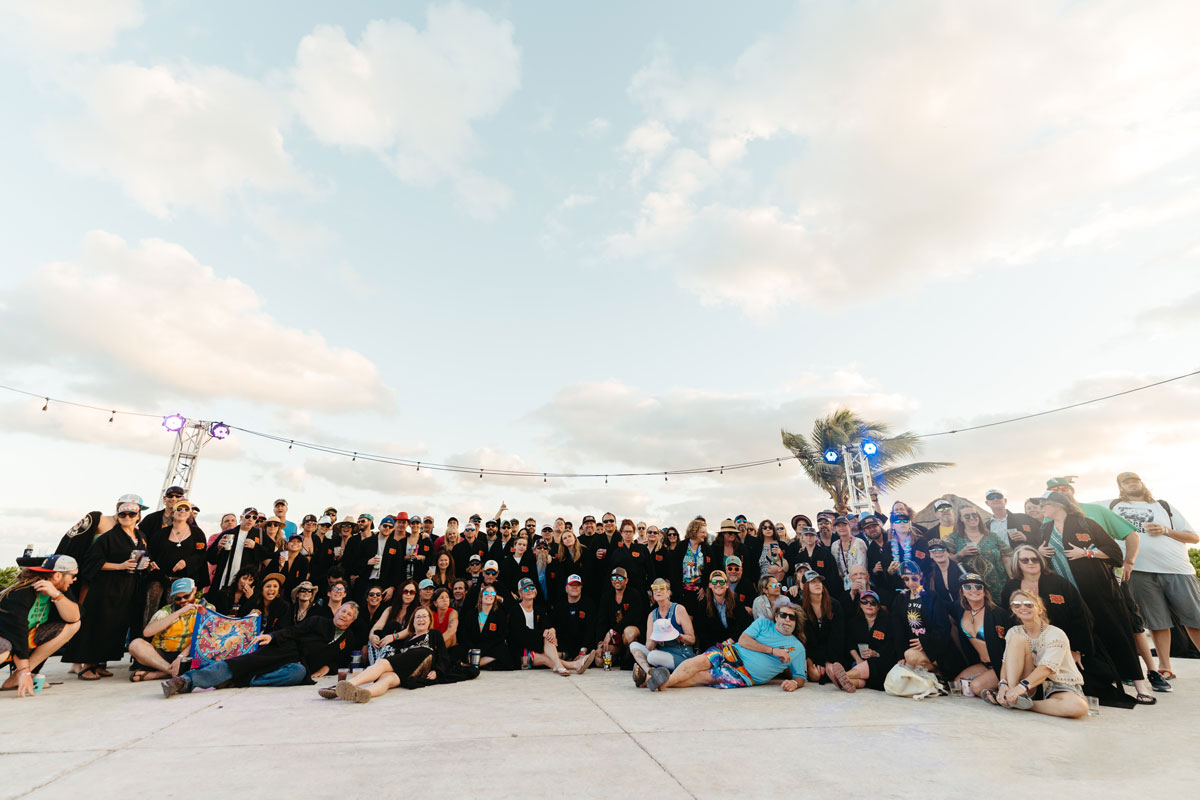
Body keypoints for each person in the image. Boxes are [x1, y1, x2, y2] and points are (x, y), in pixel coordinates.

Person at [1034, 491, 1155, 704]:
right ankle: (1098, 685)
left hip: (1100, 592)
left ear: (1058, 504)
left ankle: (1139, 684)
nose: (1041, 508)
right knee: (1083, 641)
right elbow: (1040, 562)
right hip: (1070, 597)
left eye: (1044, 504)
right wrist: (1039, 552)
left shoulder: (1085, 524)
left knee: (1118, 635)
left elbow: (1115, 553)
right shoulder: (1045, 529)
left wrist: (1086, 553)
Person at [1107, 471, 1200, 682]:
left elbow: (1194, 537)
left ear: (1141, 483)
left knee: (1195, 618)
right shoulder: (1113, 506)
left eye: (1134, 480)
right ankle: (1165, 666)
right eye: (1126, 482)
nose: (1131, 484)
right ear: (1120, 486)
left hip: (1177, 569)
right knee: (1157, 621)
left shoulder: (1163, 506)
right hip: (1139, 570)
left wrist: (1166, 530)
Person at [163, 603, 360, 697]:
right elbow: (293, 631)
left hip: (301, 666)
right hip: (286, 650)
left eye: (349, 614)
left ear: (352, 620)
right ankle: (184, 681)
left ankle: (244, 680)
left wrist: (328, 667)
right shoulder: (318, 620)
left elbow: (341, 659)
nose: (344, 615)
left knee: (297, 673)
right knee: (241, 663)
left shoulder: (349, 638)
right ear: (337, 611)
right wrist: (272, 636)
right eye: (343, 611)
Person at [326, 606, 478, 703]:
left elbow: (443, 654)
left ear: (430, 620)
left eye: (424, 616)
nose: (421, 619)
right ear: (413, 621)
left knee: (383, 664)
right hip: (409, 671)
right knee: (387, 678)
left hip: (422, 658)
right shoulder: (408, 639)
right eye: (418, 617)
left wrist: (437, 670)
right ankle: (364, 693)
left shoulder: (433, 633)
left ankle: (345, 686)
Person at [646, 602, 806, 693]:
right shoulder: (763, 623)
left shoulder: (797, 648)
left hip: (744, 674)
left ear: (796, 621)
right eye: (783, 615)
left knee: (701, 677)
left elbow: (800, 676)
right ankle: (659, 682)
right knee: (699, 662)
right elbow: (743, 640)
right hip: (731, 651)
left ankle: (655, 681)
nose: (787, 620)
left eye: (792, 617)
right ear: (776, 616)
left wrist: (794, 683)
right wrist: (773, 651)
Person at [71, 499, 149, 680]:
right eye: (122, 514)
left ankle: (99, 663)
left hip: (127, 589)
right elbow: (91, 562)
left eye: (131, 514)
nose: (127, 517)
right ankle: (87, 666)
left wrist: (148, 564)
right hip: (106, 589)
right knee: (98, 625)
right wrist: (119, 566)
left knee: (114, 627)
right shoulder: (108, 537)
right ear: (118, 515)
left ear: (138, 516)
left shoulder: (141, 536)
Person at [992, 590, 1088, 719]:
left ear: (1040, 609)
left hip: (1055, 684)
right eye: (1016, 605)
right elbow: (1006, 663)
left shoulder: (1056, 634)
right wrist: (1003, 685)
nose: (1022, 607)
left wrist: (1020, 689)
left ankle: (1021, 703)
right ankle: (1011, 695)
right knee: (1017, 638)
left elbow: (1046, 669)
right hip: (1026, 685)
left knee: (1078, 707)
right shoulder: (1014, 631)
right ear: (1013, 610)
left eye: (1028, 604)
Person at [0, 555, 81, 696]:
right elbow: (16, 634)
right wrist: (24, 672)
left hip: (22, 640)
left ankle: (15, 679)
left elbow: (75, 617)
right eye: (73, 575)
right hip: (8, 639)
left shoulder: (59, 591)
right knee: (4, 648)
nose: (75, 580)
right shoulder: (22, 593)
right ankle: (24, 674)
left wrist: (56, 595)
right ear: (57, 575)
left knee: (73, 625)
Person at [128, 578, 212, 682]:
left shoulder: (206, 608)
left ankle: (159, 674)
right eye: (178, 598)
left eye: (186, 596)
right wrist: (178, 612)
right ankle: (172, 671)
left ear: (194, 590)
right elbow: (147, 632)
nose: (183, 601)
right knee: (135, 644)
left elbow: (203, 636)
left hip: (190, 654)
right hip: (162, 656)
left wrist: (181, 656)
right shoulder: (167, 610)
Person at [144, 498, 209, 623]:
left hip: (181, 582)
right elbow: (150, 551)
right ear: (173, 512)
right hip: (159, 577)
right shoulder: (161, 533)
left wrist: (186, 562)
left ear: (190, 513)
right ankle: (147, 638)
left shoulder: (197, 533)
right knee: (150, 612)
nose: (182, 511)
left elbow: (201, 554)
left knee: (174, 615)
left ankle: (169, 640)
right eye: (179, 509)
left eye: (186, 509)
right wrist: (151, 562)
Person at [950, 574, 1012, 701]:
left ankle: (1004, 693)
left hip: (1001, 665)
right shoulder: (959, 609)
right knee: (957, 684)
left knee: (976, 686)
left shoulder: (998, 614)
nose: (973, 590)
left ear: (984, 591)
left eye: (978, 587)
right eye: (968, 587)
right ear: (962, 591)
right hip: (983, 664)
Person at [892, 561, 960, 677]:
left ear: (920, 576)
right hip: (913, 649)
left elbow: (943, 627)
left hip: (935, 648)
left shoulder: (932, 597)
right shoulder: (900, 600)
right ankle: (935, 674)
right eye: (906, 579)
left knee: (910, 657)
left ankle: (939, 671)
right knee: (907, 662)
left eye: (914, 578)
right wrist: (900, 656)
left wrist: (925, 641)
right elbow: (898, 630)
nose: (911, 583)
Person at [630, 578, 697, 686]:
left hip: (680, 655)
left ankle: (649, 676)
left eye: (662, 588)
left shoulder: (679, 609)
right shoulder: (652, 615)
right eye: (655, 589)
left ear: (668, 593)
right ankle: (649, 672)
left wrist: (677, 635)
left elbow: (692, 639)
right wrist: (655, 638)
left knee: (652, 656)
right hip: (660, 654)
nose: (658, 591)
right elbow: (649, 646)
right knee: (634, 645)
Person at [798, 570, 849, 691]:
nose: (818, 584)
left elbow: (837, 637)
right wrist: (811, 661)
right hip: (812, 653)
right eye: (813, 582)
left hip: (833, 652)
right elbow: (804, 638)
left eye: (819, 581)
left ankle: (839, 675)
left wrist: (827, 661)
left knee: (828, 671)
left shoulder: (834, 605)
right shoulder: (800, 607)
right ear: (806, 586)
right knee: (815, 676)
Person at [507, 578, 571, 674]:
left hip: (535, 646)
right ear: (520, 593)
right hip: (520, 650)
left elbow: (547, 626)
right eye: (525, 589)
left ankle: (559, 665)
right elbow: (521, 634)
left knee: (548, 636)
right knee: (545, 655)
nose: (529, 590)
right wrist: (543, 633)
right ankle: (573, 665)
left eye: (532, 587)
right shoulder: (514, 610)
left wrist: (552, 630)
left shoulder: (539, 610)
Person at [945, 507, 1010, 599]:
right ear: (961, 519)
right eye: (967, 516)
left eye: (974, 515)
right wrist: (961, 553)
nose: (972, 518)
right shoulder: (953, 538)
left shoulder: (992, 536)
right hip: (971, 588)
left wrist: (1011, 579)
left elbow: (1007, 556)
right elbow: (946, 560)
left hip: (997, 586)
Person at [838, 590, 894, 691]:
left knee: (875, 664)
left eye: (873, 603)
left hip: (879, 660)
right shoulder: (854, 621)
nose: (869, 605)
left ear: (878, 607)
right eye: (865, 602)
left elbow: (890, 645)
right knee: (864, 678)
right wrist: (858, 659)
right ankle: (844, 682)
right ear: (860, 605)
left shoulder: (887, 622)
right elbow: (850, 643)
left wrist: (875, 653)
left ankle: (843, 676)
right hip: (859, 660)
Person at [596, 567, 648, 669]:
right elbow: (601, 621)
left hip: (628, 633)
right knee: (599, 660)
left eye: (620, 578)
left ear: (626, 580)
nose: (616, 581)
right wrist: (600, 644)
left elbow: (633, 618)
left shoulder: (634, 594)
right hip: (615, 638)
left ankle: (630, 658)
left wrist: (612, 631)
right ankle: (616, 658)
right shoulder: (607, 596)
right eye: (613, 578)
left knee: (628, 632)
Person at [693, 569, 753, 652]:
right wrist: (714, 648)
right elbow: (701, 631)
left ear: (727, 585)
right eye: (714, 582)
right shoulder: (703, 605)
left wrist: (730, 641)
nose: (718, 585)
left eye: (721, 582)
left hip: (735, 644)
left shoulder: (735, 601)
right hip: (712, 647)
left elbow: (745, 622)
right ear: (710, 585)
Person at [550, 574, 596, 673]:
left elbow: (590, 630)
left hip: (582, 647)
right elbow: (554, 627)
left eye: (578, 585)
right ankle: (566, 661)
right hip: (564, 648)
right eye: (572, 585)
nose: (575, 587)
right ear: (566, 588)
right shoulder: (559, 606)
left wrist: (582, 652)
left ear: (581, 587)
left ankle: (562, 663)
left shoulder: (589, 604)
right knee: (550, 655)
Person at [209, 507, 263, 592]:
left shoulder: (260, 535)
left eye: (254, 517)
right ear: (241, 518)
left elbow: (268, 553)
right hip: (225, 579)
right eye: (248, 516)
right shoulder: (228, 533)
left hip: (245, 582)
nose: (250, 519)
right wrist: (218, 548)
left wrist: (255, 546)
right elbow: (210, 557)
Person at [459, 585, 511, 669]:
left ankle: (473, 664)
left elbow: (501, 636)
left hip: (490, 647)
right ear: (481, 596)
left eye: (492, 593)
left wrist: (484, 648)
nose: (489, 595)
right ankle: (481, 663)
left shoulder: (499, 615)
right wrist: (471, 648)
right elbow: (465, 634)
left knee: (503, 650)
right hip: (473, 646)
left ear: (495, 597)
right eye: (486, 593)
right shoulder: (471, 614)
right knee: (458, 650)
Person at [830, 516, 868, 591]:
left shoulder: (859, 543)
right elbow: (835, 566)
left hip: (859, 581)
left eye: (844, 525)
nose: (841, 528)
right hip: (842, 583)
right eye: (838, 526)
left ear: (849, 526)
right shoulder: (834, 545)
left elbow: (862, 565)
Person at [926, 538, 966, 608]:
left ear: (948, 553)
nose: (937, 552)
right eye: (933, 550)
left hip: (966, 608)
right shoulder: (931, 576)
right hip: (947, 613)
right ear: (930, 555)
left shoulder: (962, 568)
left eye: (941, 549)